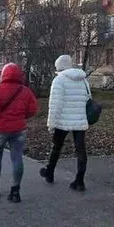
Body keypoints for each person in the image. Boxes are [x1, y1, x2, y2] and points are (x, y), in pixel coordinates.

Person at [0, 63, 38, 203]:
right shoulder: (25, 91)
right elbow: (32, 110)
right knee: (17, 159)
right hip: (18, 130)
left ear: (3, 75)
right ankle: (15, 191)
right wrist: (21, 117)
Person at [41, 54, 91, 191]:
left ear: (59, 67)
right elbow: (88, 98)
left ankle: (50, 172)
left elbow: (55, 104)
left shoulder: (59, 81)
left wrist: (51, 123)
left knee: (56, 147)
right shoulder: (83, 79)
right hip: (79, 119)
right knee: (81, 150)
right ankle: (80, 180)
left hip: (63, 120)